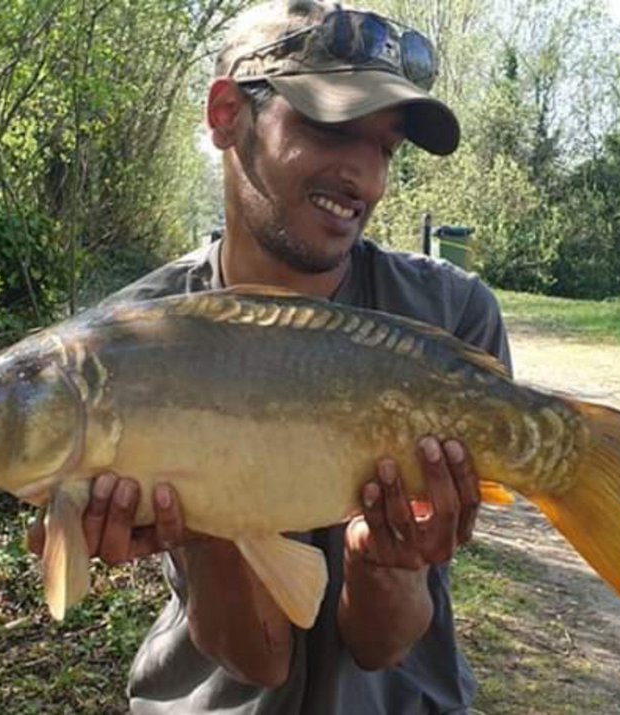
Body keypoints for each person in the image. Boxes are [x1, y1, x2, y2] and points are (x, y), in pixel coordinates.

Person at [29, 1, 511, 712]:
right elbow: (257, 657)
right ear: (227, 114)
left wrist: (391, 560)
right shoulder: (129, 347)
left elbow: (383, 646)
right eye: (332, 127)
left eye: (385, 147)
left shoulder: (449, 318)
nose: (366, 179)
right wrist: (205, 531)